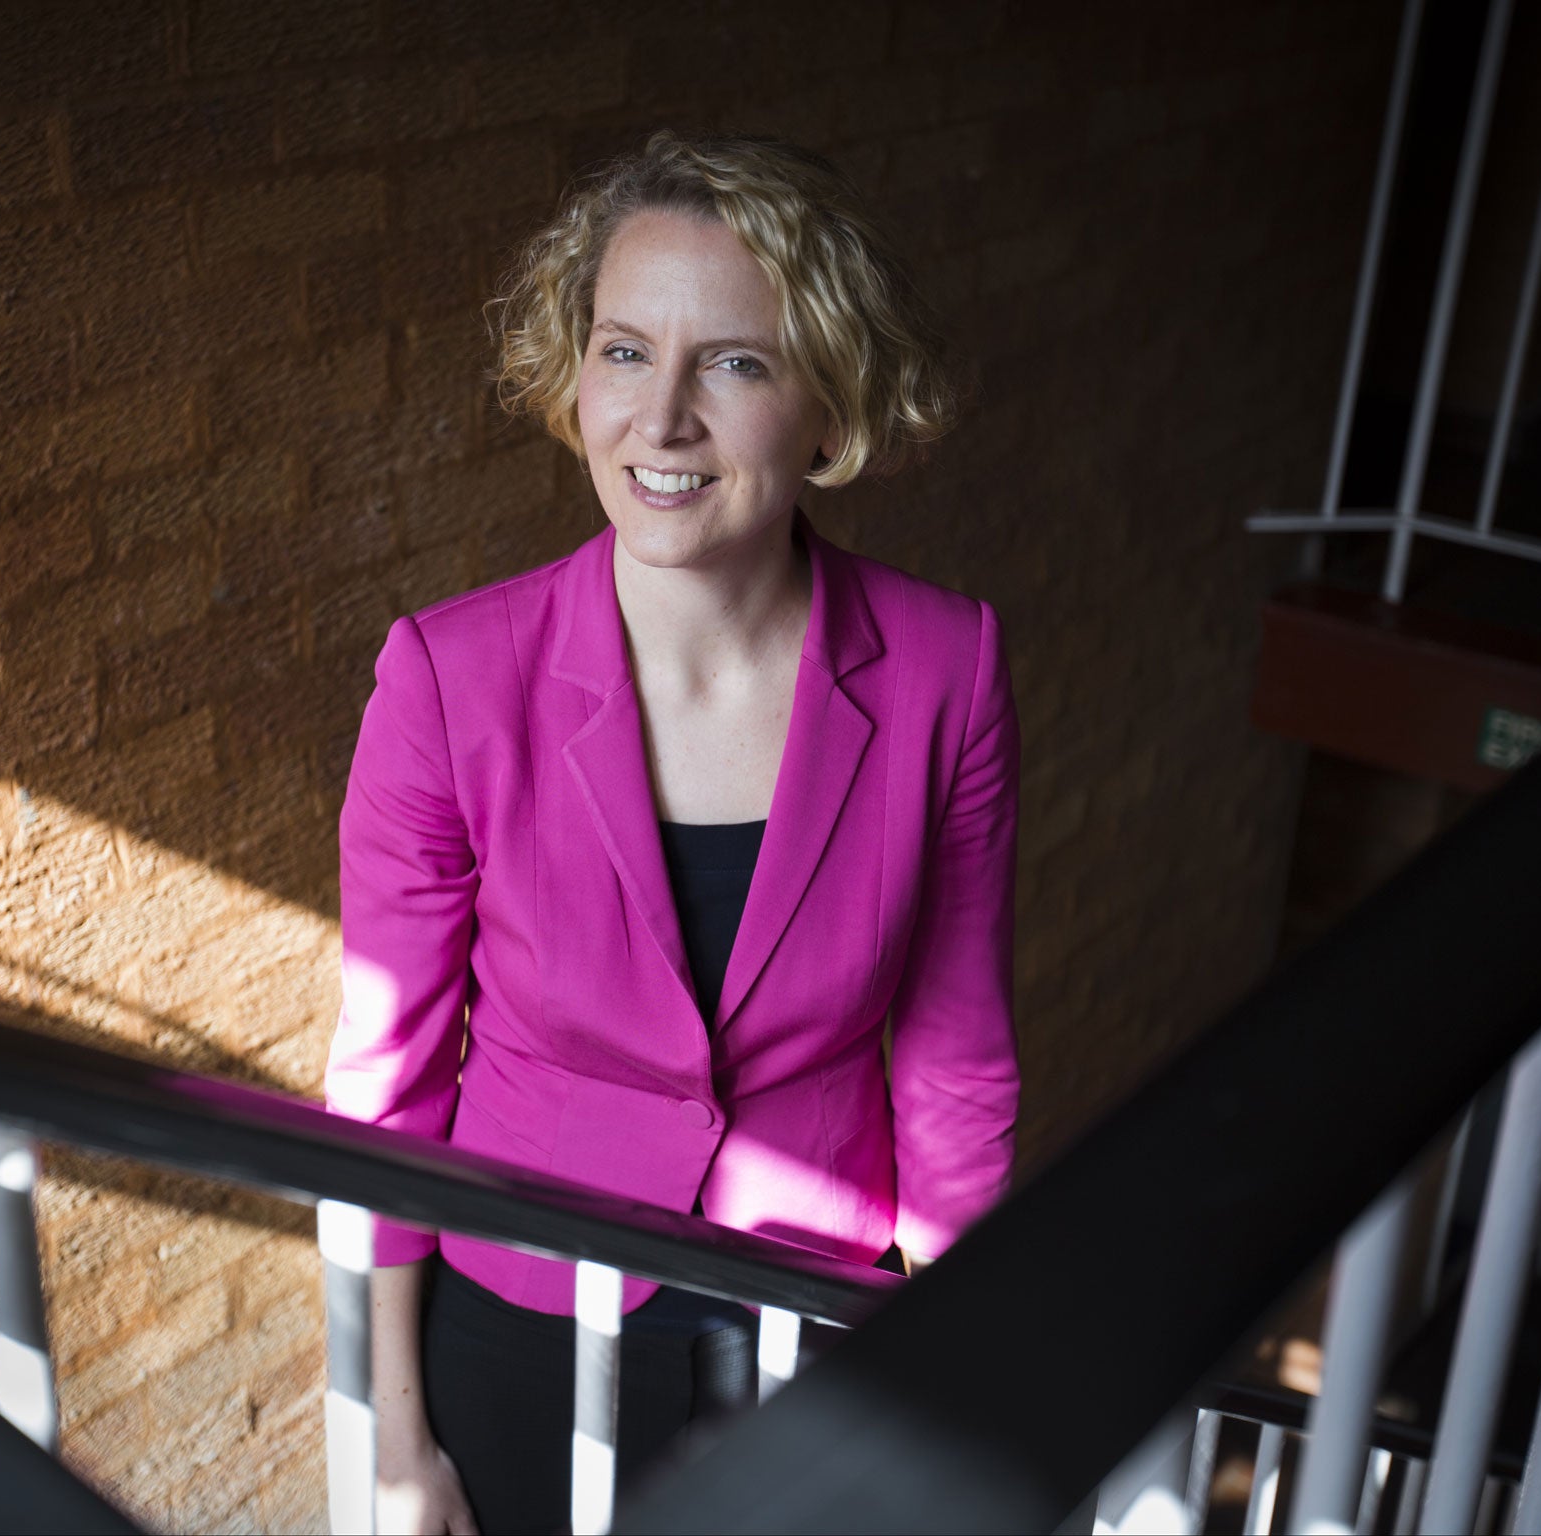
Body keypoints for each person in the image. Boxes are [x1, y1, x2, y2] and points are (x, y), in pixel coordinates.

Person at [324, 130, 1021, 1535]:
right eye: (625, 351)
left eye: (738, 362)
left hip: (817, 1330)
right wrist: (391, 1438)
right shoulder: (449, 678)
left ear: (829, 408)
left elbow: (954, 1062)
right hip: (517, 1337)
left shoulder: (949, 667)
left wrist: (958, 1387)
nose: (663, 419)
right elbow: (383, 1089)